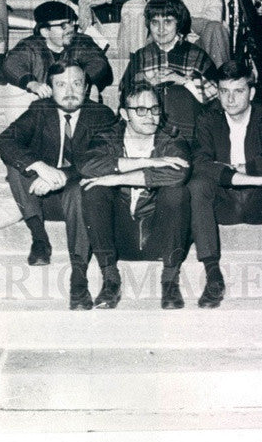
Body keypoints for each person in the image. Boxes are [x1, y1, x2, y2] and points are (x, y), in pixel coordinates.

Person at [0, 61, 116, 309]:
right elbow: (5, 141)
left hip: (82, 203)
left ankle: (78, 277)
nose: (69, 90)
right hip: (42, 198)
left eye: (77, 83)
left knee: (79, 189)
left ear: (87, 87)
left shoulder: (102, 115)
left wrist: (59, 175)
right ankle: (40, 239)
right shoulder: (40, 109)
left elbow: (99, 159)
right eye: (61, 84)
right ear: (50, 87)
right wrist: (39, 166)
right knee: (18, 165)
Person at [189, 59, 262, 309]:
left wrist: (244, 168)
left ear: (251, 92)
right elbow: (200, 163)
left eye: (238, 91)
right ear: (217, 92)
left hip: (261, 201)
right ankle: (213, 276)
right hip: (225, 202)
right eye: (224, 92)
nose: (230, 100)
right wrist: (233, 177)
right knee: (197, 185)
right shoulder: (208, 119)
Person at [80, 82, 191, 310]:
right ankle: (111, 280)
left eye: (154, 109)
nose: (150, 116)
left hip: (159, 237)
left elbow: (177, 174)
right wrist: (147, 162)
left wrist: (117, 177)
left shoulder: (172, 139)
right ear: (124, 114)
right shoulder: (107, 137)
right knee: (94, 190)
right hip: (120, 237)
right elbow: (88, 165)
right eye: (140, 110)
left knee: (176, 193)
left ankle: (170, 281)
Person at [120, 0, 219, 146]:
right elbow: (125, 96)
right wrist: (147, 83)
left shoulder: (196, 55)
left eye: (167, 22)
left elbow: (216, 97)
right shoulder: (141, 56)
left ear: (178, 23)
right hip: (149, 132)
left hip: (190, 131)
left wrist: (182, 80)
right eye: (155, 22)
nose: (160, 29)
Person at [3, 1, 113, 99]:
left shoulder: (82, 42)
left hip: (72, 99)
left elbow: (98, 63)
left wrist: (76, 82)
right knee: (15, 90)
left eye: (71, 23)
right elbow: (11, 64)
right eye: (63, 25)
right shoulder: (29, 46)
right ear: (45, 31)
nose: (70, 29)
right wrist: (33, 84)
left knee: (92, 89)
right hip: (41, 102)